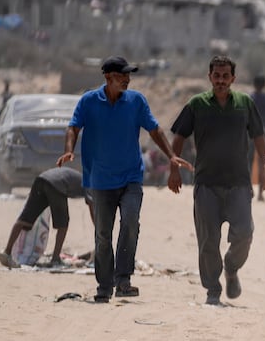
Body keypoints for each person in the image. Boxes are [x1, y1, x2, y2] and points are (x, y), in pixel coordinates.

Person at [57, 55, 192, 304]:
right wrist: (69, 148)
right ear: (108, 78)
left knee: (130, 222)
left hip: (131, 176)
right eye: (122, 76)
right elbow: (73, 127)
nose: (128, 80)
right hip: (100, 179)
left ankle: (123, 280)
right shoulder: (89, 101)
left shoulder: (136, 101)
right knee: (103, 234)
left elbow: (155, 129)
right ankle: (104, 286)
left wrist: (172, 156)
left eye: (129, 76)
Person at [168, 55, 265, 306]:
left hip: (239, 184)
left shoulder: (245, 103)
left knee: (245, 232)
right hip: (206, 185)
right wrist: (174, 167)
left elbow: (258, 137)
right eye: (217, 76)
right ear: (210, 77)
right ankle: (212, 289)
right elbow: (179, 136)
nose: (221, 80)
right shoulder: (197, 104)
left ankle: (231, 268)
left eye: (225, 76)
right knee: (208, 241)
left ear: (233, 78)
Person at [0, 166, 94, 269]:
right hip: (57, 184)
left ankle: (7, 252)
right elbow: (92, 206)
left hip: (41, 180)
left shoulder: (80, 177)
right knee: (63, 224)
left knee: (25, 219)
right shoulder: (90, 183)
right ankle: (55, 259)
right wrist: (98, 227)